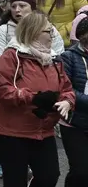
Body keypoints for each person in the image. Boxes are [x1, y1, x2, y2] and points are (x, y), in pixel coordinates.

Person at [0, 12, 75, 187]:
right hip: (12, 131)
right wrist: (33, 98)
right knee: (15, 181)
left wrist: (67, 101)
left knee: (49, 176)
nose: (52, 35)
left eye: (52, 31)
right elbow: (2, 90)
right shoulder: (12, 56)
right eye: (48, 31)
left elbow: (67, 88)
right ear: (33, 31)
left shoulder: (54, 59)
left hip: (44, 130)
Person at [59, 18, 88, 187]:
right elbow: (66, 89)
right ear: (81, 35)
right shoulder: (68, 57)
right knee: (81, 170)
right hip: (74, 122)